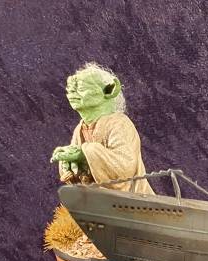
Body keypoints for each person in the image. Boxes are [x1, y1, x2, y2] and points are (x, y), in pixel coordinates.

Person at [50, 63, 154, 194]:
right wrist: (68, 162)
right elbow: (76, 175)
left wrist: (84, 153)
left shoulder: (119, 123)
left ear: (109, 90)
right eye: (69, 88)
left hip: (130, 199)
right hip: (96, 198)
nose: (71, 92)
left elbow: (125, 166)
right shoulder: (80, 129)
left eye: (81, 87)